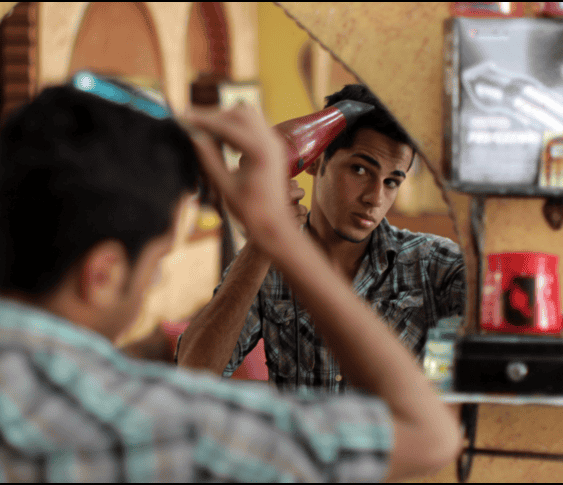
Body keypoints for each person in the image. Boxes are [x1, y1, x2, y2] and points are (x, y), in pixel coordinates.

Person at [0, 74, 460, 482]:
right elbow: (428, 437)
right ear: (103, 273)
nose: (375, 195)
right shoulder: (153, 424)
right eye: (156, 265)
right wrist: (274, 237)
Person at [177, 84, 466, 393]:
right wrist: (263, 241)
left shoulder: (433, 264)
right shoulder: (269, 268)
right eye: (359, 169)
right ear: (315, 160)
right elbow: (193, 372)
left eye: (392, 182)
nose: (375, 197)